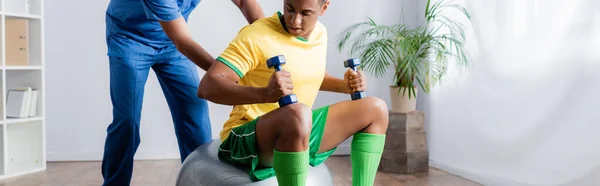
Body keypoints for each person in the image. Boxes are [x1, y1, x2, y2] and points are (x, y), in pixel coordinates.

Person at [197, 0, 389, 185]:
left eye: (306, 13)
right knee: (298, 114)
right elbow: (208, 87)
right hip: (247, 138)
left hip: (298, 129)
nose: (295, 21)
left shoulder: (320, 33)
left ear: (324, 7)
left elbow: (309, 74)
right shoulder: (257, 35)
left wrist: (343, 86)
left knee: (376, 109)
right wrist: (265, 94)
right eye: (289, 9)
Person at [101, 0, 265, 185]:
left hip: (171, 42)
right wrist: (225, 77)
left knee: (194, 112)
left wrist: (267, 39)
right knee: (127, 121)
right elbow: (182, 41)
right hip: (130, 37)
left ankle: (197, 181)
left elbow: (244, 2)